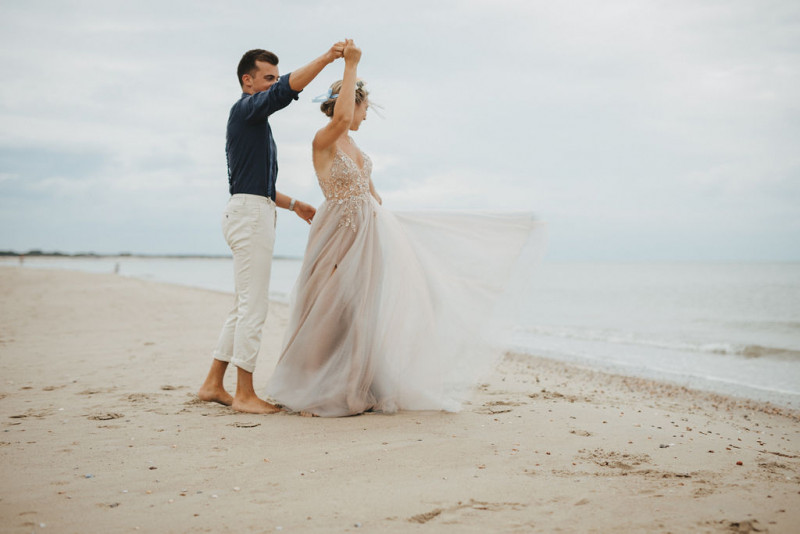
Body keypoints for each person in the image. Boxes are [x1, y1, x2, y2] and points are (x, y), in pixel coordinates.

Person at [264, 41, 544, 417]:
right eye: (364, 107)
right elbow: (342, 122)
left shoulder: (356, 147)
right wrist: (351, 65)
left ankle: (351, 386)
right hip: (338, 233)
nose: (365, 116)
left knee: (360, 312)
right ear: (352, 104)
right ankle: (310, 391)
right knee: (327, 309)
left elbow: (372, 194)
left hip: (368, 233)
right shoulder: (324, 138)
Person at [198, 43, 346, 414]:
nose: (273, 84)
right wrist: (328, 58)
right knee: (253, 308)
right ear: (247, 81)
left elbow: (255, 184)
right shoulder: (246, 109)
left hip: (250, 210)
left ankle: (213, 384)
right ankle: (244, 394)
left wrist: (295, 205)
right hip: (249, 217)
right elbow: (284, 93)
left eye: (275, 78)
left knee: (242, 306)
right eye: (267, 78)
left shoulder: (253, 122)